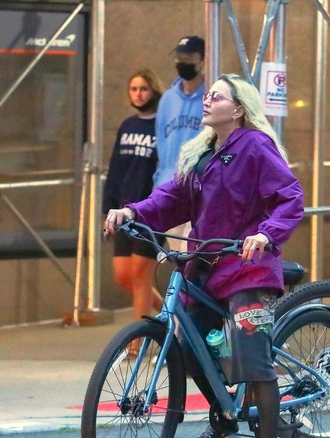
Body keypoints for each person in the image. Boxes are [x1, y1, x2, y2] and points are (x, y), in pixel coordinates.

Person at [105, 73, 304, 438]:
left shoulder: (256, 146)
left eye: (217, 96)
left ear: (239, 110)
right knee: (188, 347)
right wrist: (132, 212)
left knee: (254, 363)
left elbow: (290, 198)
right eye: (207, 95)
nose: (207, 100)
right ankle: (227, 418)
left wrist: (265, 234)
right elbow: (172, 199)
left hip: (247, 268)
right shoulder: (202, 152)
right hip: (204, 267)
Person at [102, 68, 165, 326]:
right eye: (133, 89)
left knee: (140, 275)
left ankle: (136, 344)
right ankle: (176, 317)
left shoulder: (161, 124)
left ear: (154, 91)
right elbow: (116, 168)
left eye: (143, 89)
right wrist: (107, 207)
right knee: (123, 276)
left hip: (151, 211)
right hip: (123, 210)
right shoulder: (127, 126)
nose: (138, 94)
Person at [153, 35, 207, 253]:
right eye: (179, 57)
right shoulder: (167, 99)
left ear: (203, 60)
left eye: (189, 57)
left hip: (200, 190)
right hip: (170, 186)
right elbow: (161, 144)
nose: (183, 61)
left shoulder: (211, 96)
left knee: (196, 256)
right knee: (178, 259)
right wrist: (158, 184)